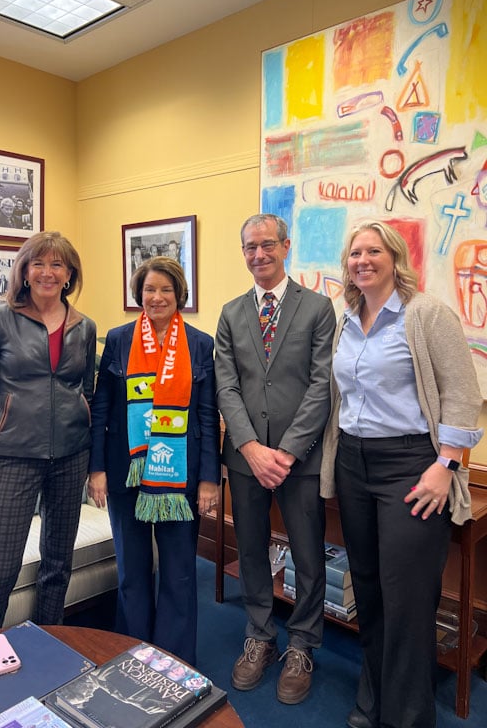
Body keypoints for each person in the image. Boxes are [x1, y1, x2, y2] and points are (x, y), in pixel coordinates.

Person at [320, 220, 483, 728]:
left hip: (411, 468)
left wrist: (445, 465)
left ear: (395, 259)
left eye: (374, 251)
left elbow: (461, 393)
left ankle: (407, 716)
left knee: (408, 594)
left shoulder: (426, 314)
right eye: (354, 253)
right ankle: (373, 695)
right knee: (367, 586)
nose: (362, 260)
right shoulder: (346, 318)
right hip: (353, 462)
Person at [215, 213, 335, 704]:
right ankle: (260, 635)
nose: (258, 254)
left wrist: (284, 452)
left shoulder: (319, 308)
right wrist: (249, 446)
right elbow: (226, 384)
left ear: (286, 246)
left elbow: (322, 384)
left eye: (267, 245)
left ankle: (303, 643)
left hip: (299, 459)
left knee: (308, 555)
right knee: (251, 549)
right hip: (245, 459)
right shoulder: (230, 312)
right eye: (249, 247)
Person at [0, 231, 96, 631]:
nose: (47, 272)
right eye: (38, 263)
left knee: (58, 565)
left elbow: (86, 389)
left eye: (57, 265)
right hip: (12, 456)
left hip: (71, 457)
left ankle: (46, 646)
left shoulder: (84, 326)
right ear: (24, 270)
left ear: (69, 274)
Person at [88, 256, 220, 666]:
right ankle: (131, 651)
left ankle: (174, 659)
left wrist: (210, 479)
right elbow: (103, 407)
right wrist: (97, 469)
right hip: (127, 468)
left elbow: (205, 413)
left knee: (180, 572)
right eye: (149, 289)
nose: (157, 297)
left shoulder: (199, 343)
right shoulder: (119, 339)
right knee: (132, 568)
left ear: (179, 294)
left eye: (166, 289)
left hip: (182, 473)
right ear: (138, 294)